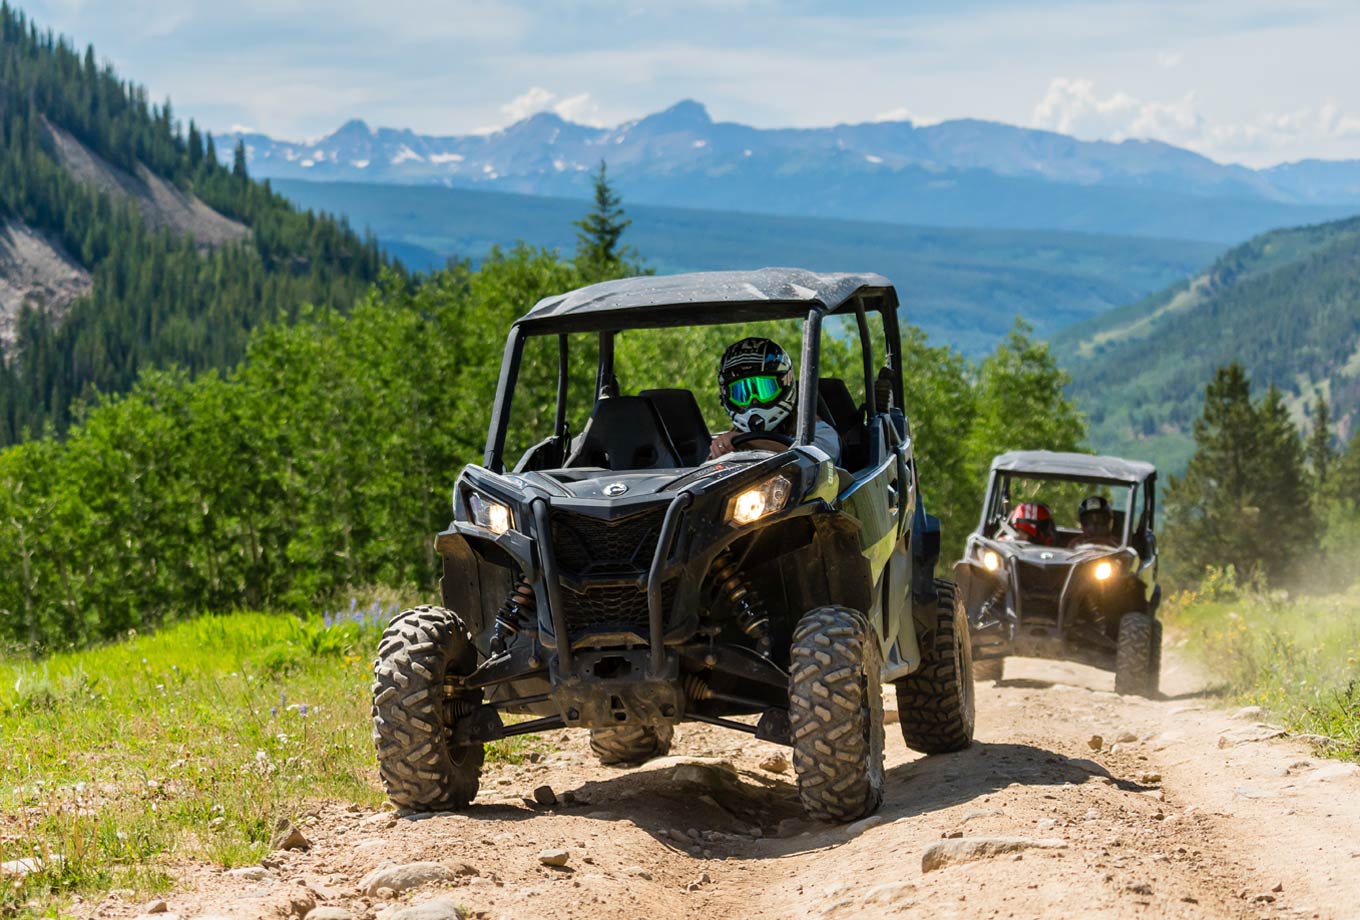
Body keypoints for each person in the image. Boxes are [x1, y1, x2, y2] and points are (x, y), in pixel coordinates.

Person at [707, 337, 841, 463]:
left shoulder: (820, 432)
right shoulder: (728, 444)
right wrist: (719, 454)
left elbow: (810, 461)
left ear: (785, 385)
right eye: (742, 394)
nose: (754, 401)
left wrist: (748, 442)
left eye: (764, 389)